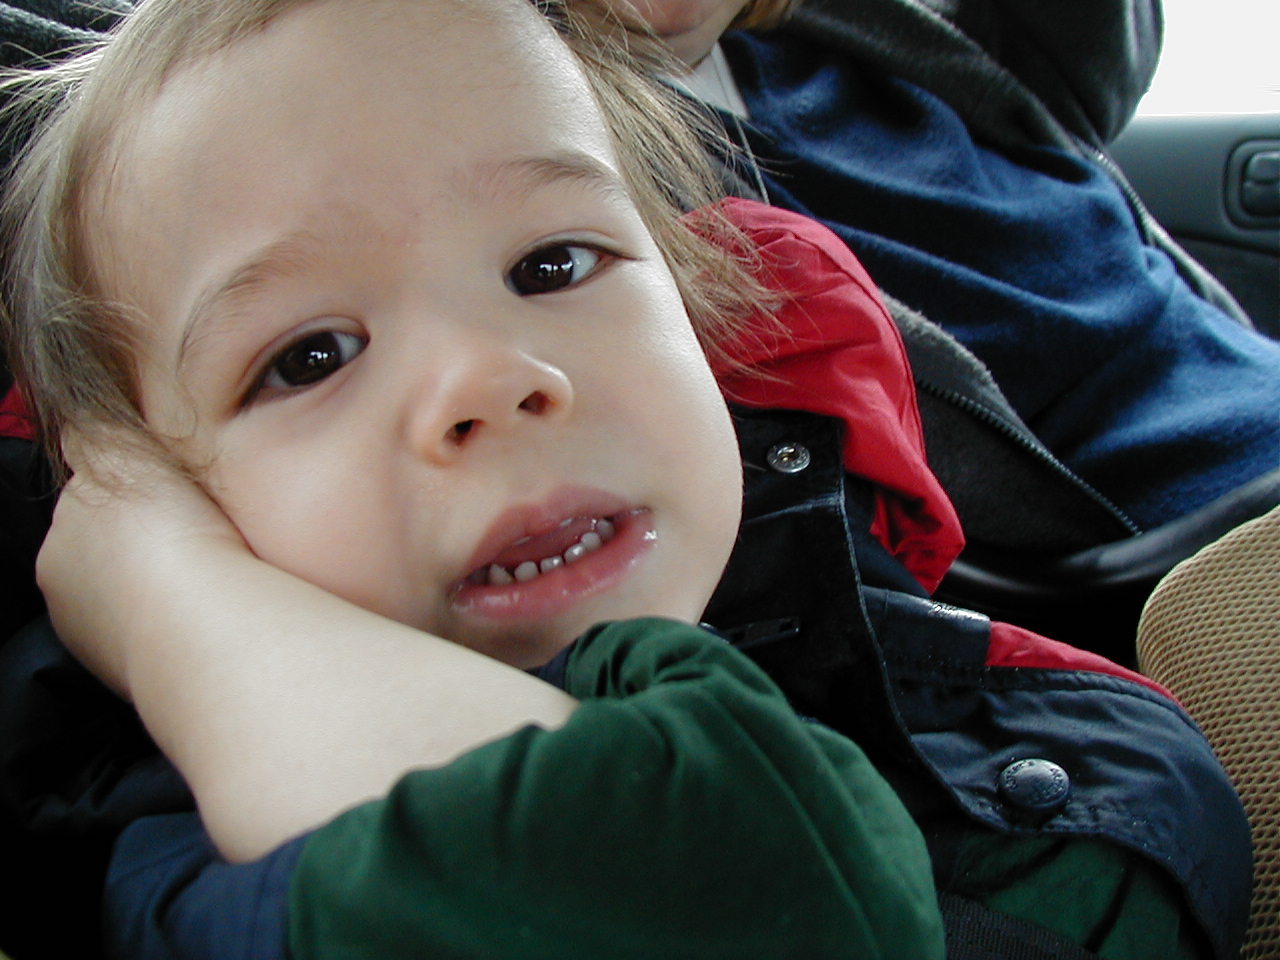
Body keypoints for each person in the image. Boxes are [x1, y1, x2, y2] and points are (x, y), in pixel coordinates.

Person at [0, 0, 1252, 958]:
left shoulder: (889, 626)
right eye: (308, 358)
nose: (493, 378)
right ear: (158, 496)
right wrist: (159, 595)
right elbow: (673, 884)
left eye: (551, 265)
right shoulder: (212, 845)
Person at [628, 0, 1280, 566]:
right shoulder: (610, 173)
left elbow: (1085, 56)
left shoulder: (863, 28)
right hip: (1174, 523)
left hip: (1236, 373)